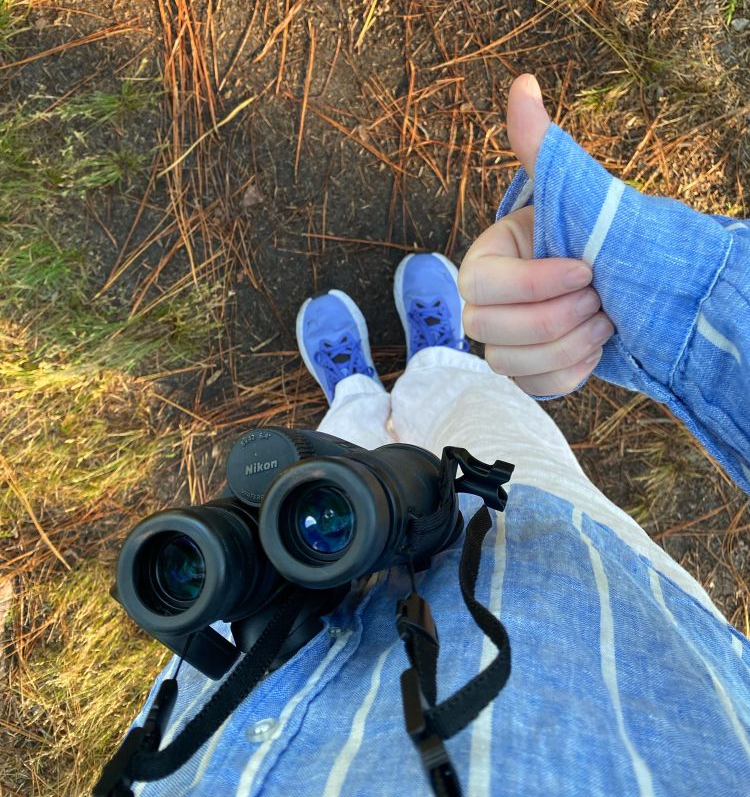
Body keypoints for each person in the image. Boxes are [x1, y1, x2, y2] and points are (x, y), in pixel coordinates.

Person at [127, 74, 750, 796]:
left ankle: (358, 394)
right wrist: (662, 283)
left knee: (344, 449)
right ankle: (438, 361)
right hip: (547, 577)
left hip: (221, 727)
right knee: (479, 420)